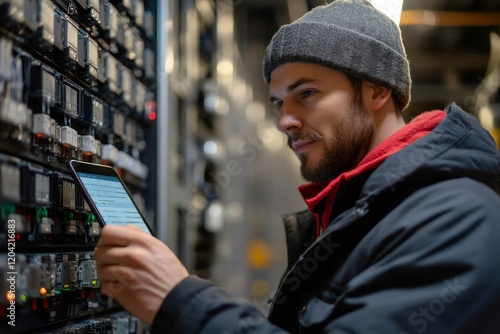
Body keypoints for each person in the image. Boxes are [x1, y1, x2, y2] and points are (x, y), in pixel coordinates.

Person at [94, 0, 500, 333]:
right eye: (279, 102)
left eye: (307, 93)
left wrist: (179, 301)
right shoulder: (356, 209)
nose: (284, 121)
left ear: (378, 90)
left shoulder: (455, 215)